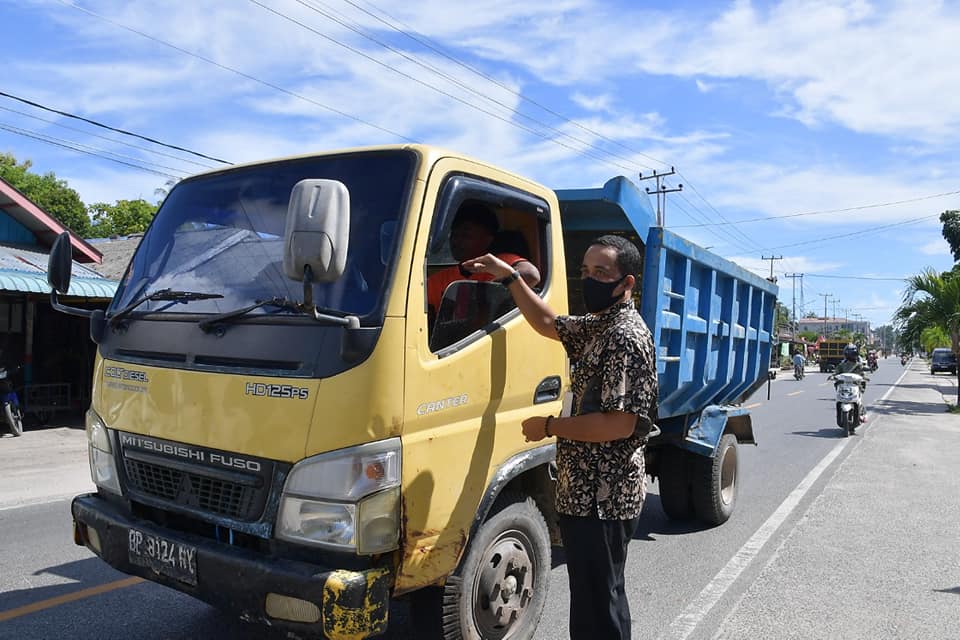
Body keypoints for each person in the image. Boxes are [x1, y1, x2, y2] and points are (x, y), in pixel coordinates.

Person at [464, 234, 658, 640]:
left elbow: (619, 424)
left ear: (627, 283)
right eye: (585, 271)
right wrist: (511, 276)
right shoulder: (599, 325)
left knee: (600, 601)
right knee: (592, 598)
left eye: (601, 272)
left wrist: (549, 427)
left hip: (604, 496)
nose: (590, 280)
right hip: (582, 492)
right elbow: (548, 323)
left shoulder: (625, 336)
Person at [426, 202, 540, 317]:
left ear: (488, 239)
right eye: (454, 235)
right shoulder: (439, 279)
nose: (456, 241)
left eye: (466, 235)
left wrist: (488, 292)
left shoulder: (501, 261)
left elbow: (531, 275)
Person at [833, 343, 867, 421]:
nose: (851, 355)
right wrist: (833, 376)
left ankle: (861, 412)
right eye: (849, 353)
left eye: (852, 353)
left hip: (855, 385)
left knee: (859, 398)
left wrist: (864, 377)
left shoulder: (858, 364)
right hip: (844, 385)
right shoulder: (842, 365)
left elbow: (862, 372)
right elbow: (836, 372)